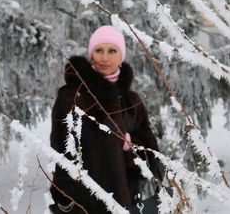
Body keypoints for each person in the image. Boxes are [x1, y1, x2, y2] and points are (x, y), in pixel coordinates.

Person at [49, 25, 161, 213]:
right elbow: (60, 150)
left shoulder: (131, 100)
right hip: (83, 202)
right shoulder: (72, 96)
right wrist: (65, 196)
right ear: (91, 54)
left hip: (125, 201)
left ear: (121, 57)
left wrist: (130, 144)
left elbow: (151, 152)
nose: (105, 58)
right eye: (99, 50)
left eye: (112, 51)